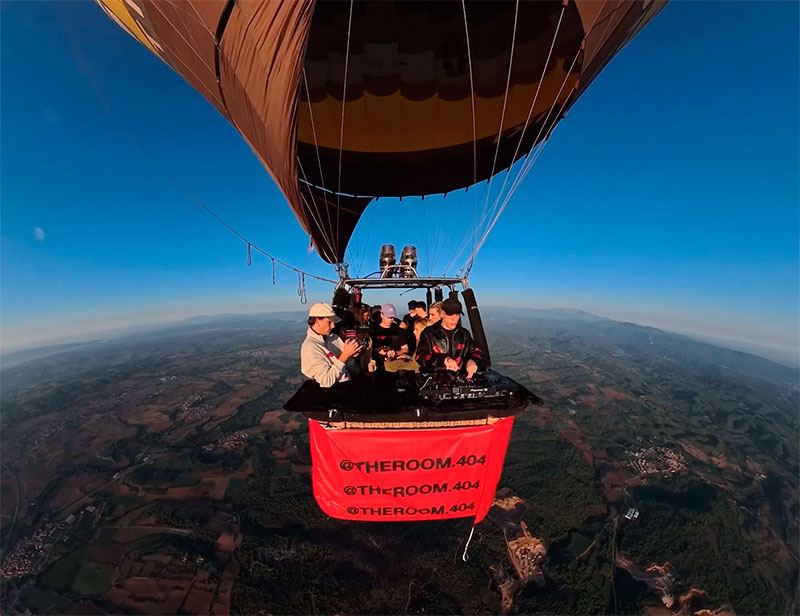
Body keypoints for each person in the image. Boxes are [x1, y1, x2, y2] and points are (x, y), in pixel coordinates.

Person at [415, 297, 485, 379]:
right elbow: (419, 357)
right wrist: (443, 360)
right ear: (442, 314)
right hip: (435, 379)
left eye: (457, 315)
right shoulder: (428, 333)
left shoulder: (464, 334)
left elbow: (477, 352)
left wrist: (473, 361)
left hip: (460, 380)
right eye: (450, 314)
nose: (454, 319)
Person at [301, 302, 363, 387]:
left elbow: (347, 365)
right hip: (332, 394)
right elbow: (326, 381)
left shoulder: (334, 338)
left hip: (348, 385)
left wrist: (352, 354)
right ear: (317, 321)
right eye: (329, 322)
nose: (333, 326)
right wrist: (345, 355)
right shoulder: (310, 347)